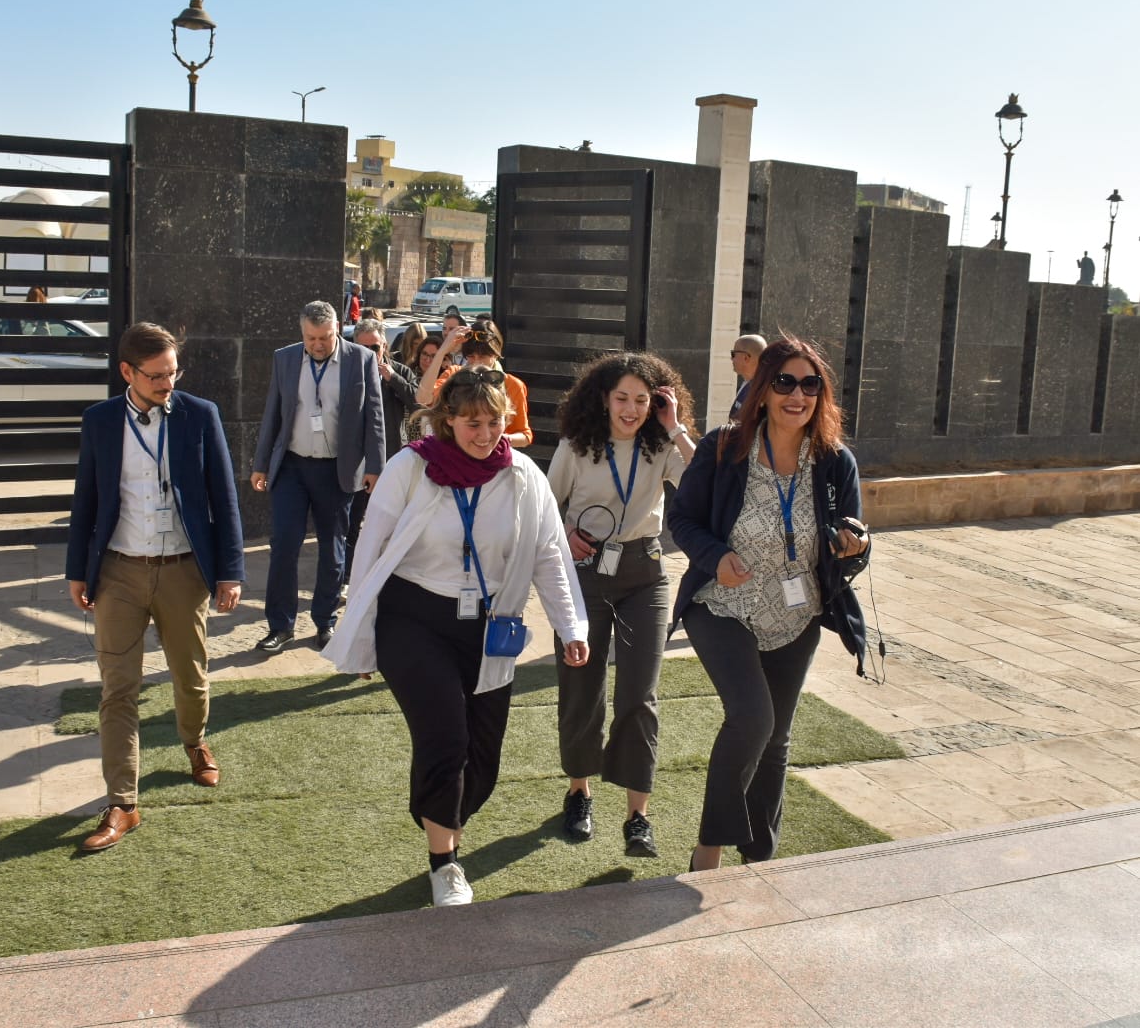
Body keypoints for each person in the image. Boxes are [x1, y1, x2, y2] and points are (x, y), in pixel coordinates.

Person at [323, 368, 589, 907]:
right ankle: (444, 861)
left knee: (482, 759)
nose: (485, 433)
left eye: (495, 421)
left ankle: (443, 817)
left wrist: (571, 626)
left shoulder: (522, 477)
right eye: (473, 422)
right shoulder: (411, 467)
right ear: (448, 421)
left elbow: (549, 555)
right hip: (412, 618)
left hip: (491, 626)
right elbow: (371, 547)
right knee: (445, 737)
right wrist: (361, 634)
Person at [669, 335, 870, 871]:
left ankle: (760, 855)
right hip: (722, 605)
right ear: (762, 390)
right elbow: (682, 519)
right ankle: (708, 850)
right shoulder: (724, 447)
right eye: (784, 382)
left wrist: (855, 543)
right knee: (752, 719)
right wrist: (715, 557)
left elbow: (851, 535)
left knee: (777, 739)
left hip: (796, 614)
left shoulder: (834, 461)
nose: (796, 395)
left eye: (810, 384)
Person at [66, 322, 245, 852]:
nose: (169, 382)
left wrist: (229, 571)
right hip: (118, 570)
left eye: (173, 372)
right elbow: (85, 500)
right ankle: (123, 802)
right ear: (127, 372)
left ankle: (195, 742)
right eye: (157, 375)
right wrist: (79, 569)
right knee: (117, 688)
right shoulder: (99, 421)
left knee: (189, 676)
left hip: (184, 568)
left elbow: (224, 497)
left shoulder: (200, 415)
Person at [546, 352, 697, 857]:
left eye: (642, 399)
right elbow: (547, 505)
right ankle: (579, 792)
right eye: (622, 399)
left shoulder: (661, 444)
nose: (631, 410)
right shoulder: (577, 445)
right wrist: (567, 532)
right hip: (585, 575)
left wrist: (674, 427)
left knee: (640, 694)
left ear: (656, 401)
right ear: (603, 399)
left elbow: (703, 479)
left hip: (645, 576)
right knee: (581, 684)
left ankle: (638, 816)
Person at [251, 301, 385, 654]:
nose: (318, 345)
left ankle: (325, 621)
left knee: (333, 547)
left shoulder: (361, 359)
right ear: (302, 333)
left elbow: (374, 416)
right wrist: (260, 464)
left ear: (337, 328)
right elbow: (272, 414)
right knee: (283, 545)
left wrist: (375, 467)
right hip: (291, 467)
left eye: (324, 337)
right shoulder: (285, 358)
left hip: (336, 468)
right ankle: (280, 626)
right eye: (311, 338)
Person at [344, 319, 419, 582]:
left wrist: (392, 377)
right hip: (355, 463)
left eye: (374, 348)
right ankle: (349, 577)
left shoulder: (398, 372)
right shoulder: (345, 372)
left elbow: (419, 401)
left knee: (394, 524)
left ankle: (391, 576)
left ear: (384, 346)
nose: (368, 355)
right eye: (362, 348)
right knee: (351, 524)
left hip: (391, 460)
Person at [415, 319, 533, 448]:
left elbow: (525, 436)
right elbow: (423, 399)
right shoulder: (454, 375)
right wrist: (442, 351)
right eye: (471, 356)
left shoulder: (512, 385)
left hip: (493, 460)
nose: (476, 362)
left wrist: (496, 439)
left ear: (496, 354)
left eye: (483, 356)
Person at [729, 333, 766, 419]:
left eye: (733, 354)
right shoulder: (749, 382)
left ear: (746, 358)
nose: (731, 358)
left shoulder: (763, 391)